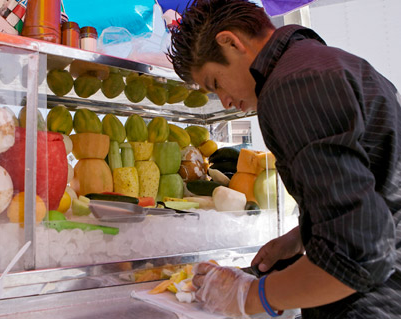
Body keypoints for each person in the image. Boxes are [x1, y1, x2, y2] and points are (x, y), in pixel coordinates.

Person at [167, 0, 401, 318]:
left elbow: (355, 255)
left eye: (215, 83)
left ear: (230, 42)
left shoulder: (292, 84)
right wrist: (301, 236)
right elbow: (379, 191)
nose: (224, 100)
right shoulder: (332, 62)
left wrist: (249, 295)